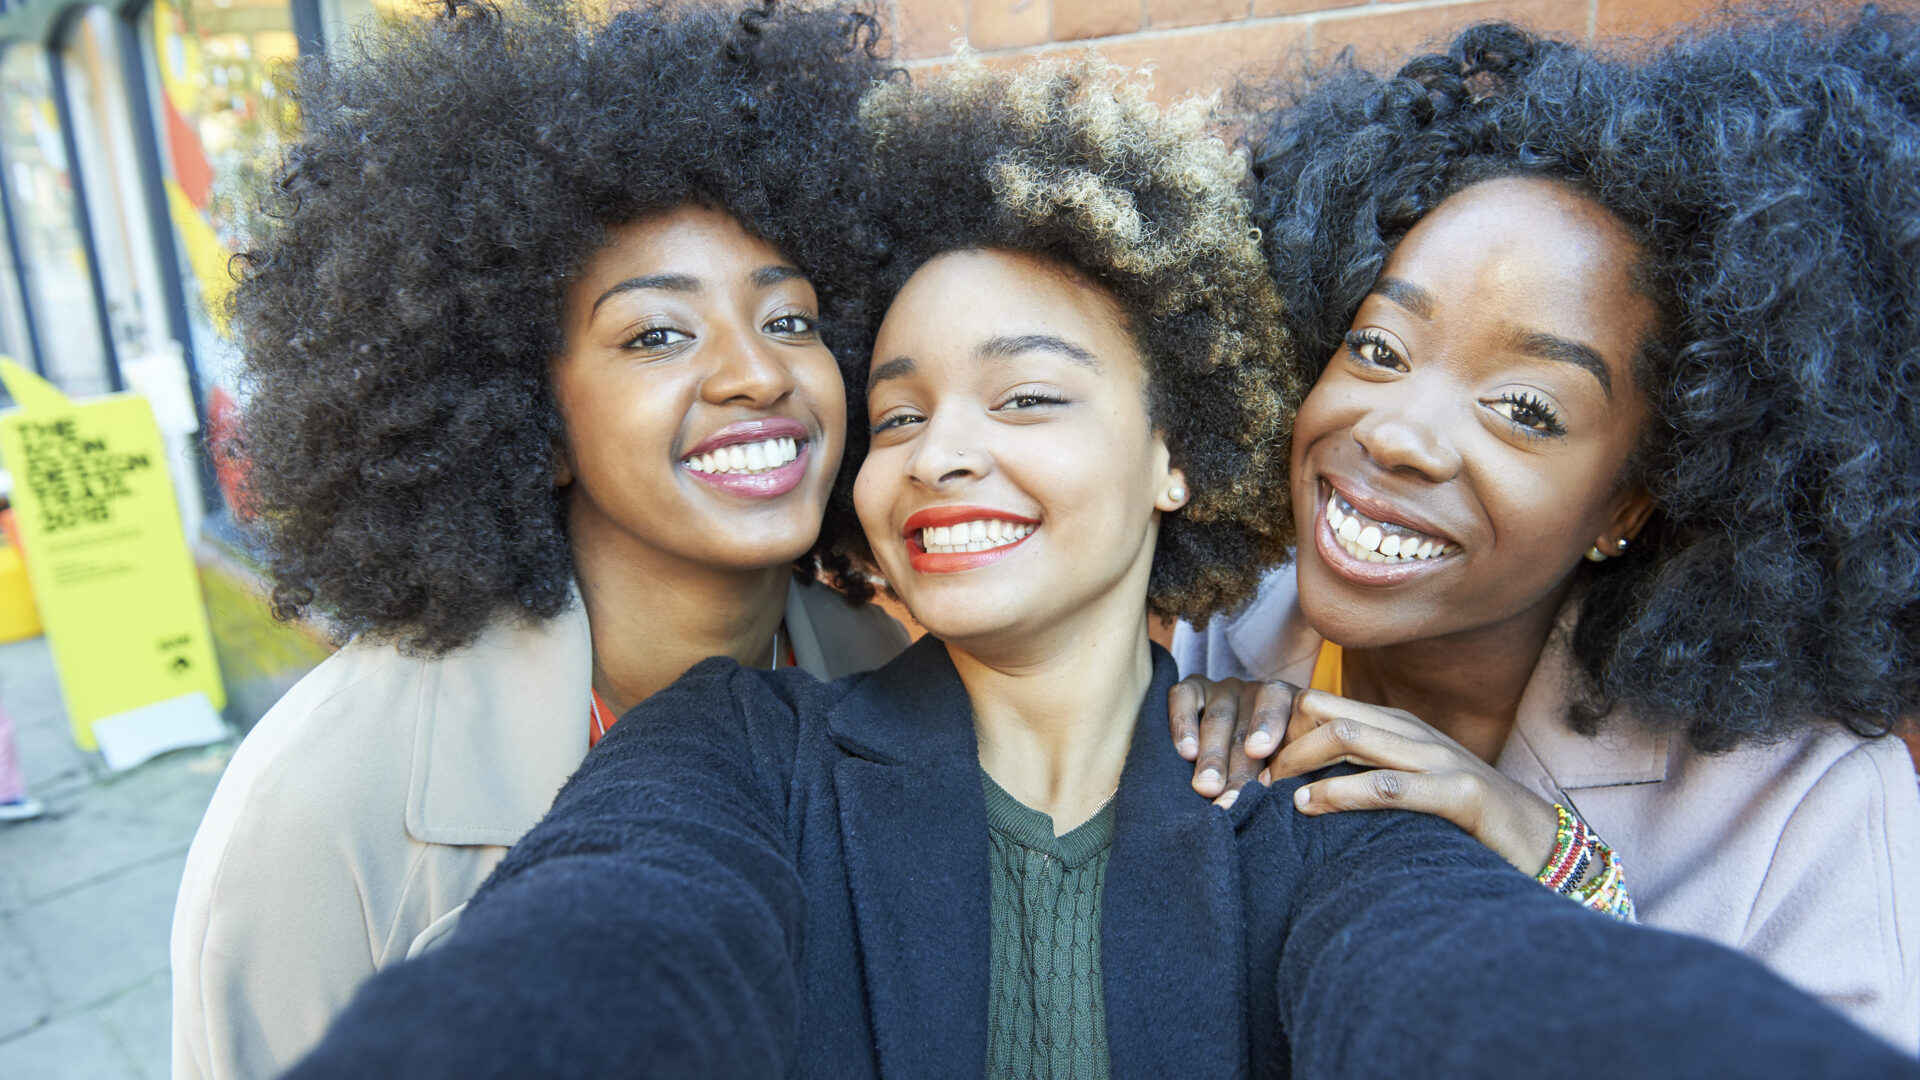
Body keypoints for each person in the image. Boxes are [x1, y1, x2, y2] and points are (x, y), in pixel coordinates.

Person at [279, 56, 1920, 1080]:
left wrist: (1547, 873)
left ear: (1176, 449)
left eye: (1033, 395)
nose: (947, 452)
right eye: (900, 409)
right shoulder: (735, 752)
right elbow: (624, 935)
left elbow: (1464, 980)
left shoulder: (1307, 808)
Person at [169, 3, 908, 1077]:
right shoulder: (323, 808)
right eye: (657, 333)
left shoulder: (885, 670)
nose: (758, 372)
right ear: (532, 415)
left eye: (790, 318)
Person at [1168, 9, 1920, 1049]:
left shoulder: (1807, 808)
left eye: (1525, 410)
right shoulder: (1217, 626)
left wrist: (1564, 871)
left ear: (1629, 501)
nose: (1398, 435)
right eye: (1379, 348)